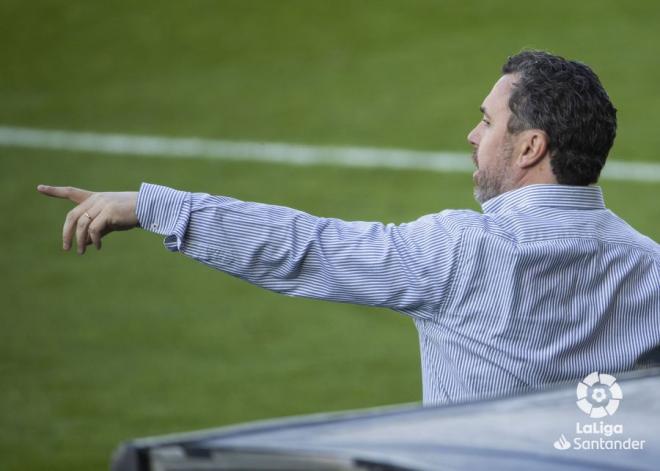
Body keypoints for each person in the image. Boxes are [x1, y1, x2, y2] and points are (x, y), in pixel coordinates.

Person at [38, 50, 659, 405]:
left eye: (488, 122)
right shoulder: (650, 267)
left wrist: (153, 207)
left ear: (529, 148)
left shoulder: (460, 253)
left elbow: (305, 250)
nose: (473, 135)